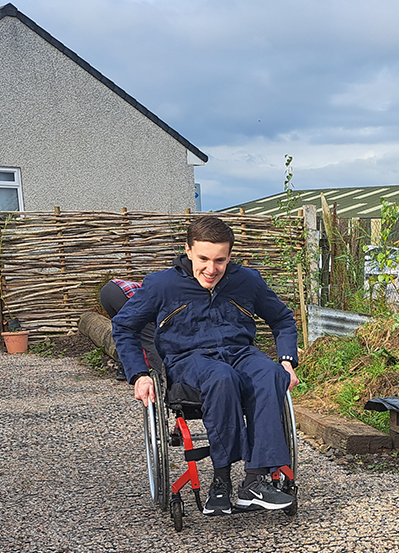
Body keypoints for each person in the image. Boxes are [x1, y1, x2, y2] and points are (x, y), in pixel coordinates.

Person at [112, 216, 299, 515]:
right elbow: (123, 327)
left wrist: (287, 362)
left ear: (230, 256)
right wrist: (139, 374)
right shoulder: (162, 285)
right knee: (221, 377)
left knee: (270, 373)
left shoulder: (247, 281)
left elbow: (282, 319)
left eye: (220, 260)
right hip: (189, 359)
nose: (211, 269)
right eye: (203, 259)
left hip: (239, 353)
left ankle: (253, 481)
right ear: (188, 250)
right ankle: (221, 480)